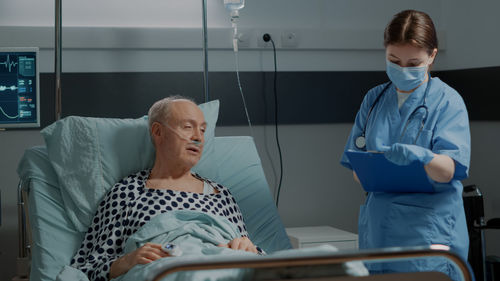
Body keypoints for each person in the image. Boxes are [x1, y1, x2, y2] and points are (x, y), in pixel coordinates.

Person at [70, 96, 263, 281]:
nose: (198, 137)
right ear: (158, 132)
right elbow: (87, 268)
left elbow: (255, 256)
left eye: (203, 130)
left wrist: (248, 247)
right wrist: (127, 261)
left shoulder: (221, 194)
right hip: (166, 270)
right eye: (188, 127)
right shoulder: (129, 192)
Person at [340, 10, 470, 279]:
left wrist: (423, 157)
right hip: (379, 229)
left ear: (432, 56)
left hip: (426, 231)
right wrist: (369, 169)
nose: (403, 69)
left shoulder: (447, 101)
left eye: (413, 63)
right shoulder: (374, 99)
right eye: (394, 60)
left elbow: (448, 170)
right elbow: (357, 168)